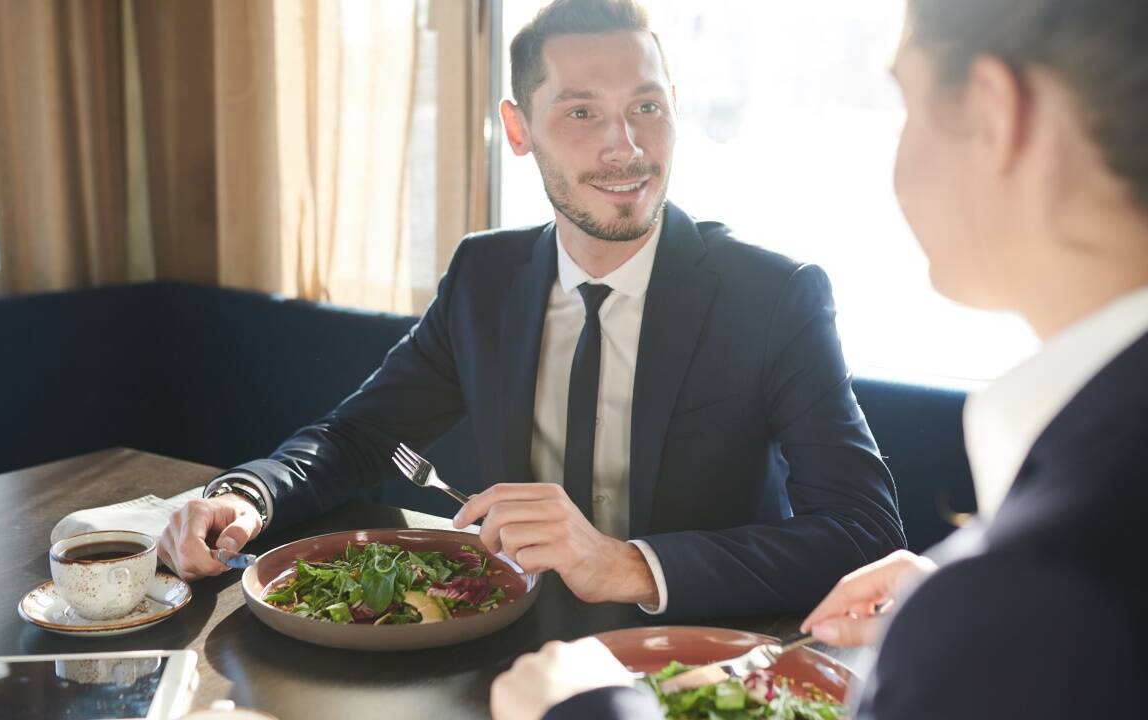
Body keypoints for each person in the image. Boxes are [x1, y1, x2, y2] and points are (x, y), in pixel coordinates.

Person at [493, 0, 1148, 717]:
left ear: (996, 115)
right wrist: (944, 605)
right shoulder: (1038, 577)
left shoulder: (1036, 589)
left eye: (905, 103)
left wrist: (583, 709)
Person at [158, 0, 904, 619]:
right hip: (510, 648)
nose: (626, 146)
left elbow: (864, 533)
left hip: (697, 658)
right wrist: (246, 495)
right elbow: (359, 437)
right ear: (519, 131)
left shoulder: (774, 296)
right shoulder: (485, 276)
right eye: (582, 112)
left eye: (646, 106)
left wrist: (628, 565)